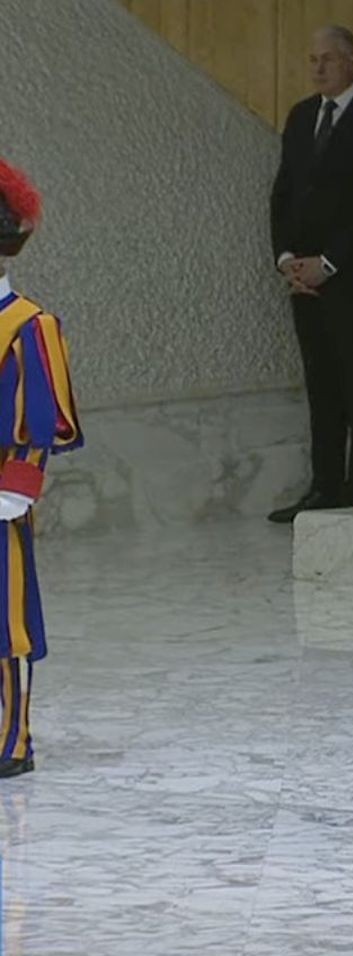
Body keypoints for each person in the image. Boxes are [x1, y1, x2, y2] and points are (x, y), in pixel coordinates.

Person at [267, 25, 353, 523]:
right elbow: (284, 193)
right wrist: (287, 259)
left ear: (352, 60)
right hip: (303, 275)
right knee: (320, 378)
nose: (318, 68)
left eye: (327, 58)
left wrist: (328, 264)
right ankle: (323, 485)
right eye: (313, 59)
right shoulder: (302, 116)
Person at [0, 157, 84, 778]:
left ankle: (12, 739)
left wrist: (12, 492)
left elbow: (39, 423)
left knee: (5, 627)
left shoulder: (29, 325)